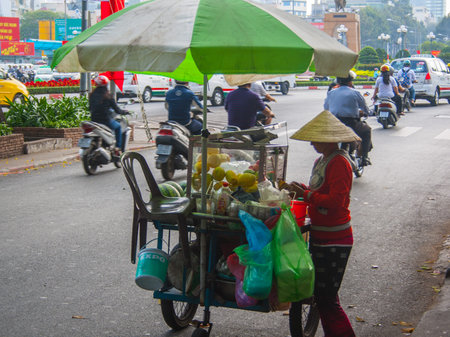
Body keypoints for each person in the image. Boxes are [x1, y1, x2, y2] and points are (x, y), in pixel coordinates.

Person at [286, 110, 359, 337]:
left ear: (327, 139)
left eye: (314, 138)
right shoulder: (322, 160)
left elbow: (336, 201)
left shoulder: (339, 162)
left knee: (326, 298)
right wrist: (303, 190)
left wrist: (307, 195)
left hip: (335, 239)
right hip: (321, 236)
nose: (310, 143)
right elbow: (320, 192)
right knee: (325, 295)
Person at [324, 71, 372, 166]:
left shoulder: (331, 93)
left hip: (335, 123)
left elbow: (326, 108)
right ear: (350, 81)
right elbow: (365, 109)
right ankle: (365, 157)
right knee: (367, 131)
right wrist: (366, 113)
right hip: (352, 123)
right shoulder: (355, 93)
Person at [89, 75, 129, 153]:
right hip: (105, 120)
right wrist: (125, 112)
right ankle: (118, 148)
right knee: (118, 127)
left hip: (94, 120)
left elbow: (90, 108)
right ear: (106, 85)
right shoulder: (108, 96)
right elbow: (117, 110)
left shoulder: (92, 95)